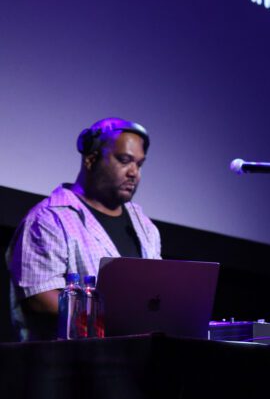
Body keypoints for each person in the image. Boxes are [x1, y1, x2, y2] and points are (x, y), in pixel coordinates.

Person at [5, 117, 161, 341]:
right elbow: (38, 297)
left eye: (139, 164)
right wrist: (111, 319)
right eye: (124, 160)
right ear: (91, 158)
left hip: (134, 364)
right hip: (69, 367)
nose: (134, 172)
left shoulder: (145, 227)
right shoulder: (49, 219)